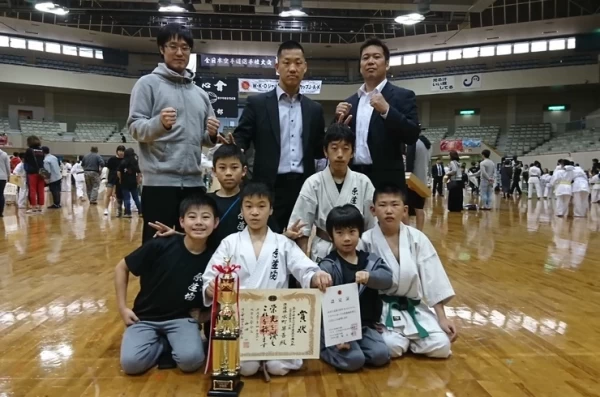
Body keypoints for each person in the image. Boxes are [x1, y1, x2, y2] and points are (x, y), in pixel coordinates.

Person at [202, 182, 332, 378]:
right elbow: (211, 276)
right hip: (243, 319)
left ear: (271, 210)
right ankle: (258, 356)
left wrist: (316, 275)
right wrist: (210, 288)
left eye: (261, 206)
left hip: (275, 316)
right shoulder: (230, 243)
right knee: (247, 368)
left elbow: (303, 267)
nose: (255, 212)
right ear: (242, 209)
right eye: (249, 206)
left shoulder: (282, 243)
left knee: (277, 367)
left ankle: (270, 356)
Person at [127, 23, 220, 242]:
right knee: (157, 246)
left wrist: (213, 135)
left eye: (185, 47)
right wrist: (159, 123)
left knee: (195, 244)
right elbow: (135, 128)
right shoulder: (147, 84)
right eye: (173, 46)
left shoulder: (200, 94)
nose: (180, 52)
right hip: (160, 185)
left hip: (194, 185)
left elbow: (205, 140)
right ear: (162, 49)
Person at [115, 194, 218, 375]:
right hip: (145, 318)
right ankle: (164, 344)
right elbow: (121, 268)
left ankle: (173, 342)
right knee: (131, 364)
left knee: (191, 361)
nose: (199, 222)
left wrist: (204, 316)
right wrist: (123, 308)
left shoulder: (214, 259)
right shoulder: (160, 245)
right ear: (181, 221)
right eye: (192, 217)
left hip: (182, 318)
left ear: (216, 223)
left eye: (206, 217)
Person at [233, 41, 326, 233]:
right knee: (267, 239)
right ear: (277, 67)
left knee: (300, 238)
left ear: (305, 67)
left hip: (303, 186)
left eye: (298, 63)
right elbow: (241, 138)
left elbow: (319, 149)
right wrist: (233, 151)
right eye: (286, 62)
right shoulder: (257, 103)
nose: (292, 68)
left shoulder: (314, 109)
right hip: (267, 185)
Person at [362, 184, 456, 359]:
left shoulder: (417, 238)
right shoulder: (366, 240)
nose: (389, 210)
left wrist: (442, 317)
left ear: (405, 210)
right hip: (383, 309)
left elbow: (433, 278)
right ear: (373, 210)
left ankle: (411, 340)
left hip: (414, 307)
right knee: (391, 348)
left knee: (442, 346)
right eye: (382, 205)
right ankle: (408, 341)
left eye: (394, 205)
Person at [335, 38, 420, 191]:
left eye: (376, 57)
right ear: (360, 66)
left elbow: (412, 134)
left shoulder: (403, 96)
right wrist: (337, 122)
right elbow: (336, 140)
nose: (370, 61)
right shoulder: (350, 103)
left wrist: (387, 110)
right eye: (365, 58)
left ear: (386, 64)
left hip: (387, 180)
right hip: (353, 177)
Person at [318, 205, 391, 372]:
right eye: (340, 233)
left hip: (364, 326)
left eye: (352, 232)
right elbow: (322, 304)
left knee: (381, 355)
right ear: (331, 235)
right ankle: (323, 345)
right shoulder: (328, 266)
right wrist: (336, 334)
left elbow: (387, 279)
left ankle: (359, 344)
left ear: (360, 232)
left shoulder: (370, 261)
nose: (346, 238)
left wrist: (370, 277)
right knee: (354, 361)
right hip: (338, 328)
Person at [287, 123, 375, 261]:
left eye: (345, 149)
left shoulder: (363, 182)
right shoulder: (313, 183)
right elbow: (301, 230)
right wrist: (303, 268)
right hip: (324, 250)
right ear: (325, 151)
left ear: (352, 152)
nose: (340, 154)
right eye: (334, 148)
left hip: (356, 252)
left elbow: (372, 227)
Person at [405, 134, 431, 230]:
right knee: (419, 209)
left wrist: (408, 181)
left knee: (405, 209)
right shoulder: (425, 145)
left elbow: (409, 163)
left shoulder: (413, 142)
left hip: (413, 180)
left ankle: (407, 231)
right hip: (422, 181)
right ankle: (420, 232)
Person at [118, 148, 143, 219]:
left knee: (126, 198)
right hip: (133, 182)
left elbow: (118, 172)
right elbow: (139, 173)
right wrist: (138, 180)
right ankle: (141, 212)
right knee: (136, 198)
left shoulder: (123, 162)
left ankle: (128, 213)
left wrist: (120, 179)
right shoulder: (134, 162)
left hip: (124, 182)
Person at [23, 135, 46, 213]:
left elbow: (26, 161)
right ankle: (40, 207)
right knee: (41, 190)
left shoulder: (29, 150)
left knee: (32, 190)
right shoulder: (41, 150)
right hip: (41, 172)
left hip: (32, 173)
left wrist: (26, 169)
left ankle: (33, 207)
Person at [104, 145, 125, 217]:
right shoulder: (112, 159)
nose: (121, 152)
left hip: (120, 180)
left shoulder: (125, 160)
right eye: (120, 151)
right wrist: (106, 178)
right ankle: (106, 208)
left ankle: (118, 210)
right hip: (111, 178)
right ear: (117, 151)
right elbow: (108, 170)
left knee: (119, 196)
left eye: (122, 151)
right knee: (108, 194)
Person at [0, 148, 10, 217]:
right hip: (2, 177)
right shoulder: (4, 154)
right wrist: (9, 175)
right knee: (1, 194)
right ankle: (0, 212)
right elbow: (8, 167)